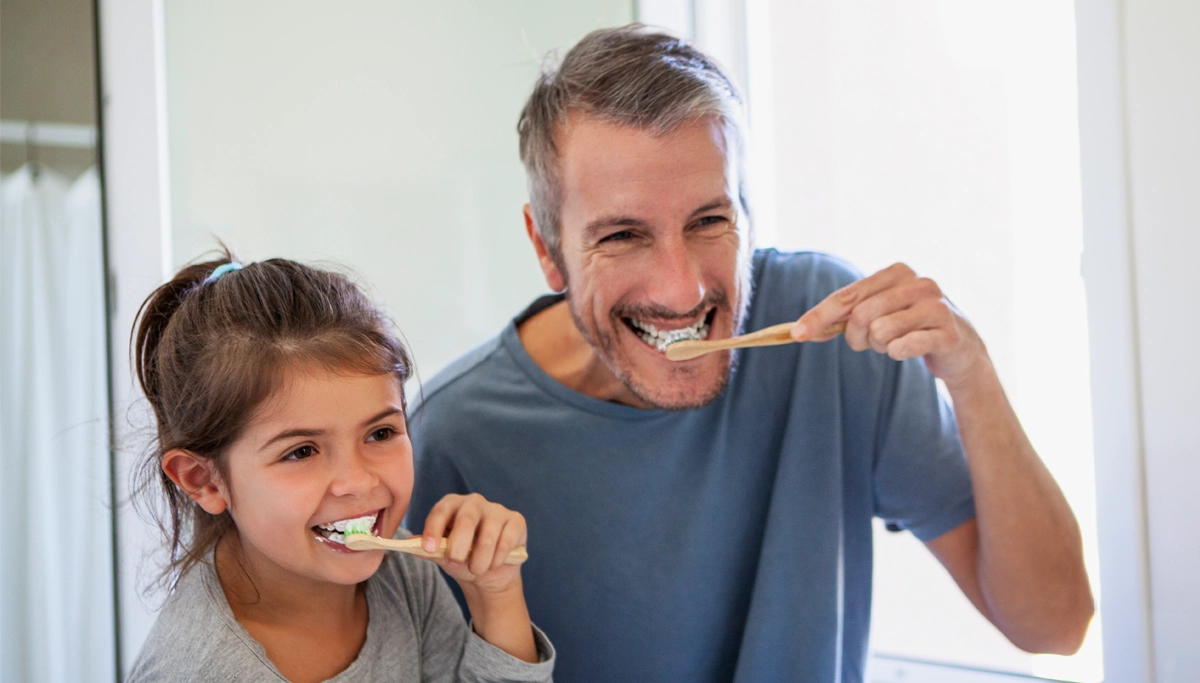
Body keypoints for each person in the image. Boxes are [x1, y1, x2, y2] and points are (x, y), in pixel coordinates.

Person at [406, 24, 1093, 683]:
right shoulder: (451, 440)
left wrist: (970, 373)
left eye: (709, 221)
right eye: (622, 236)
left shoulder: (829, 334)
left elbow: (1056, 624)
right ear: (545, 246)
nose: (682, 288)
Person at [126, 254, 555, 683]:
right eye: (301, 452)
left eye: (380, 434)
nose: (357, 482)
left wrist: (495, 595)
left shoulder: (404, 573)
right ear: (203, 480)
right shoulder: (197, 671)